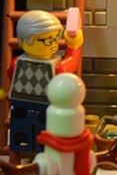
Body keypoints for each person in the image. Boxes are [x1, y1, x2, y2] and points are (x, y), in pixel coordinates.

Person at [1, 10, 83, 154]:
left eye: (55, 39)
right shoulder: (55, 67)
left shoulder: (18, 63)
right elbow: (72, 63)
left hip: (38, 105)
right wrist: (73, 46)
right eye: (47, 40)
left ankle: (39, 150)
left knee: (41, 131)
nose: (53, 44)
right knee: (26, 131)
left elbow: (10, 74)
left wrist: (73, 45)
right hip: (26, 104)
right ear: (24, 41)